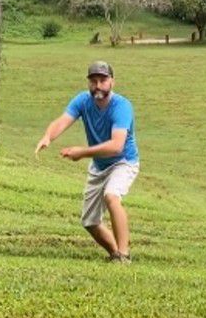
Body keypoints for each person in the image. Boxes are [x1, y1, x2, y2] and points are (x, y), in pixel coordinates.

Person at [34, 60, 139, 263]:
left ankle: (124, 255)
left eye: (102, 80)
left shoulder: (122, 107)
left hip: (123, 162)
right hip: (99, 166)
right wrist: (48, 137)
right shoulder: (82, 101)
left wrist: (82, 152)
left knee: (111, 196)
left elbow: (116, 145)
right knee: (90, 222)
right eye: (93, 81)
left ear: (112, 82)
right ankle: (115, 254)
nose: (98, 86)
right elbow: (62, 121)